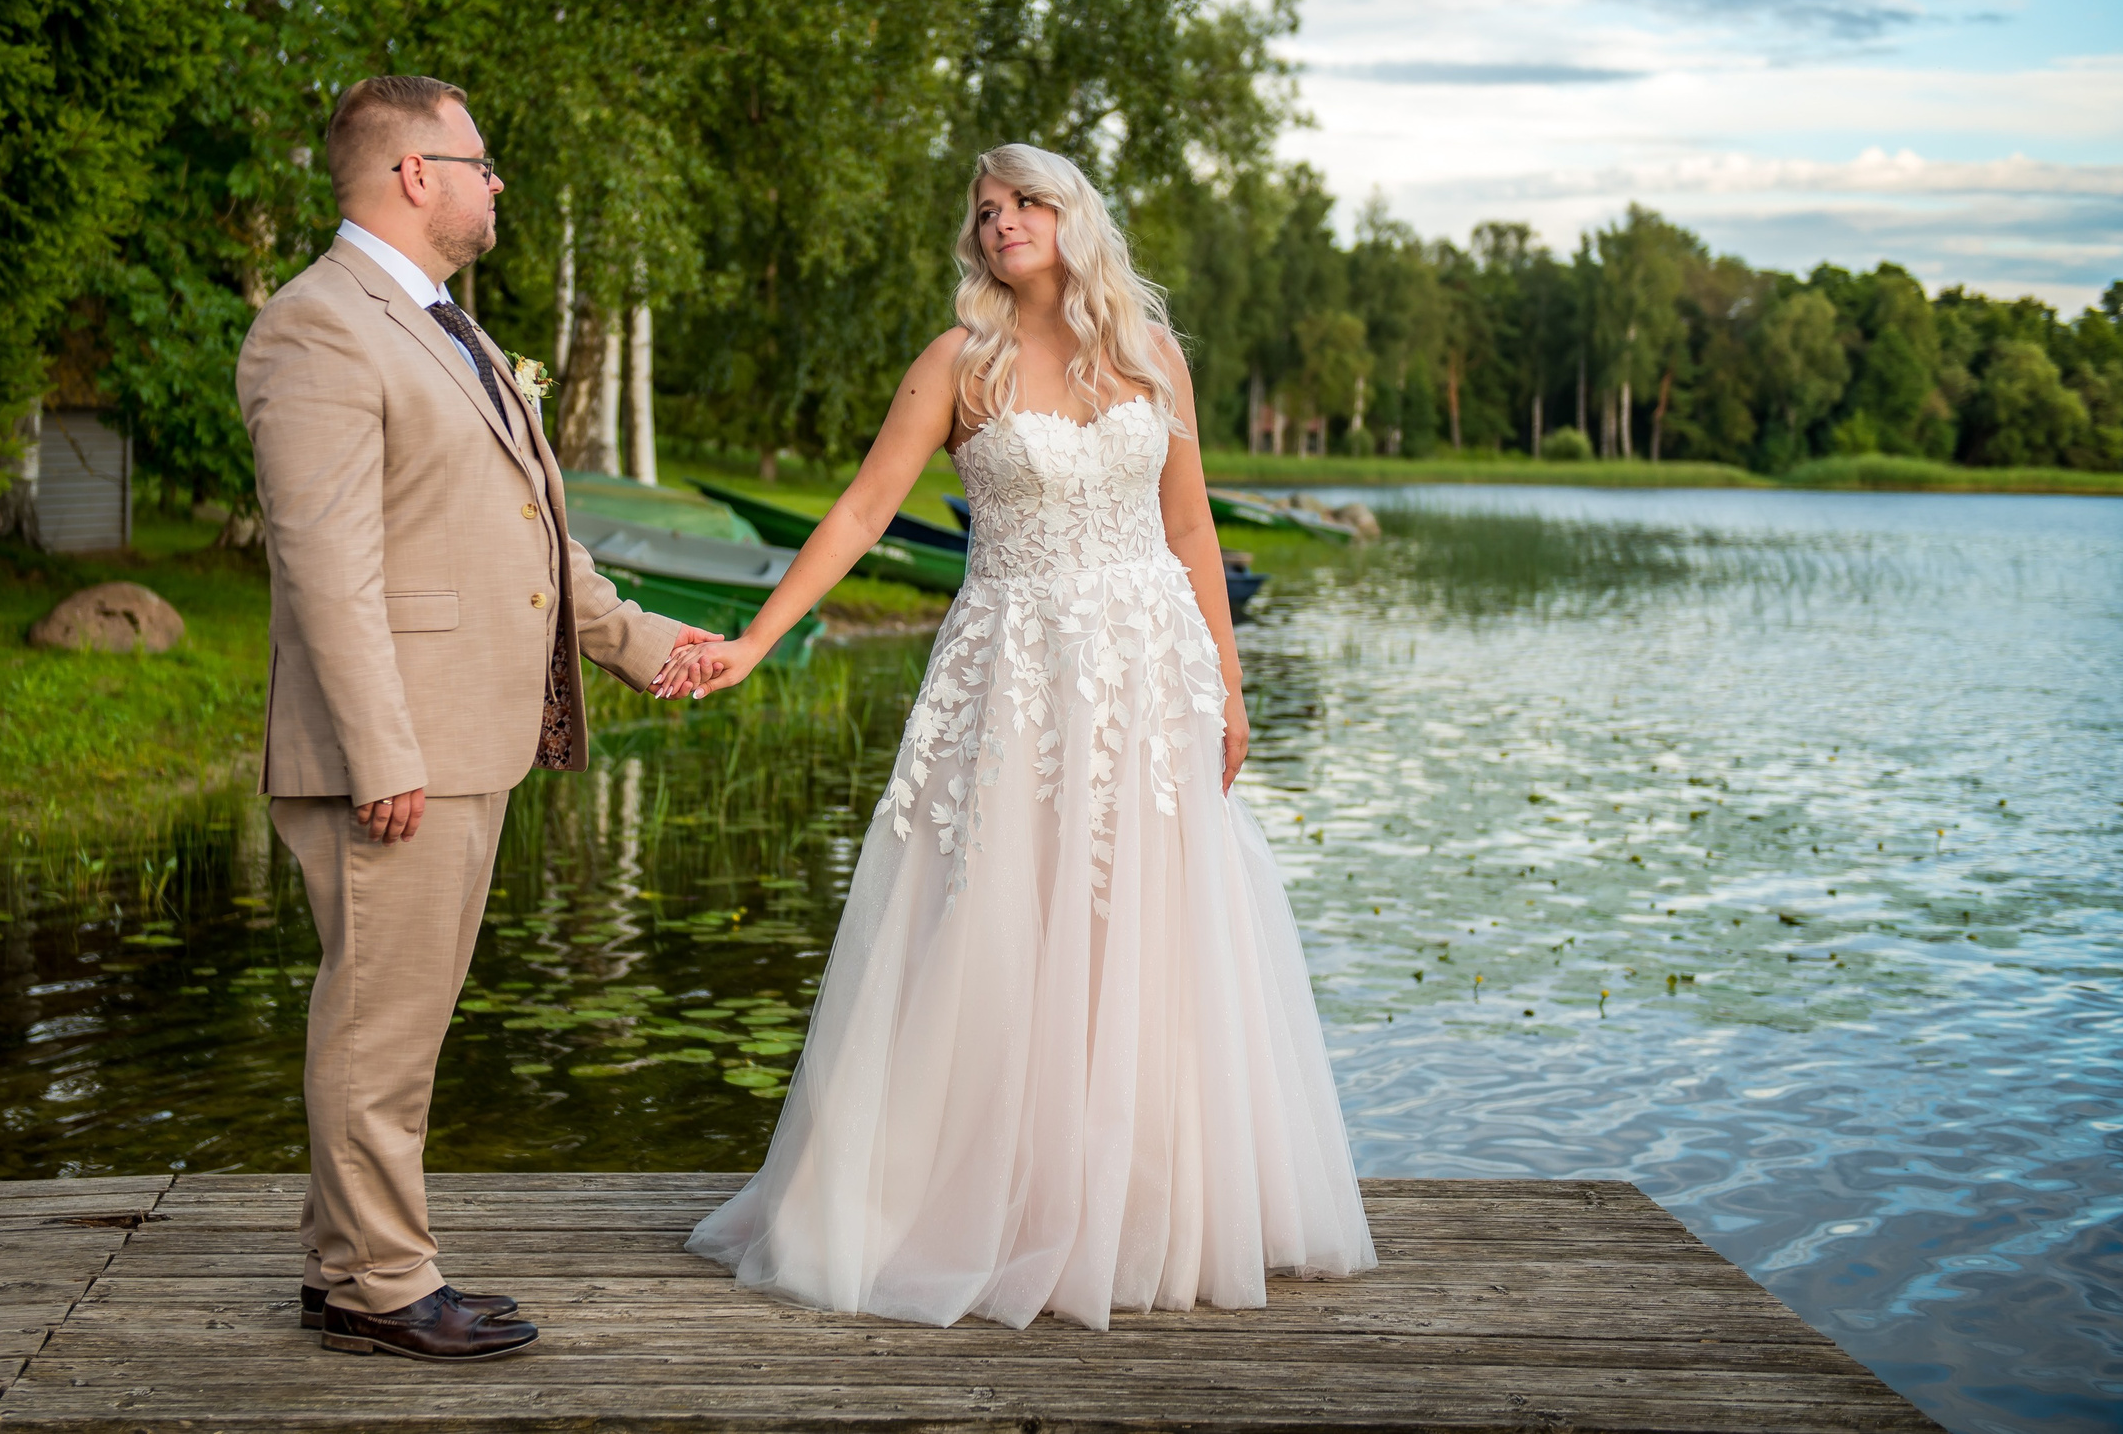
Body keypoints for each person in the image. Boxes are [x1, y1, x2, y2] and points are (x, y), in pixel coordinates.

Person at [657, 143, 1375, 1329]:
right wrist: (757, 636)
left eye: (1026, 200)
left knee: (1148, 933)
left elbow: (1190, 531)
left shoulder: (1152, 358)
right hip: (1015, 676)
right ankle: (975, 1205)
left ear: (1072, 216)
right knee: (996, 920)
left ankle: (1147, 1211)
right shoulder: (957, 363)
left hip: (1152, 678)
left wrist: (1230, 687)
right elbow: (860, 507)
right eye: (986, 208)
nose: (1001, 220)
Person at [236, 74, 715, 1361]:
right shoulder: (318, 328)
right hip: (395, 748)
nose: (496, 182)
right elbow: (323, 565)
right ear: (411, 174)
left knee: (402, 1017)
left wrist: (652, 648)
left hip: (465, 733)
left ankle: (348, 1268)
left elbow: (535, 546)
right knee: (377, 1023)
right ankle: (389, 1285)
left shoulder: (447, 329)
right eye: (480, 160)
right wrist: (382, 749)